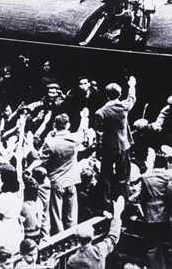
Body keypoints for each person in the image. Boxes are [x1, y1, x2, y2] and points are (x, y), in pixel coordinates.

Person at [95, 76, 136, 204]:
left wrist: (99, 150)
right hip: (123, 146)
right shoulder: (124, 107)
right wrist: (132, 85)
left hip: (108, 149)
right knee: (124, 178)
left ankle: (107, 204)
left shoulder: (100, 113)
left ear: (106, 95)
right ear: (119, 94)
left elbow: (99, 134)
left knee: (106, 177)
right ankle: (125, 203)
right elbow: (132, 97)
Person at [67, 196, 125, 269]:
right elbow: (113, 237)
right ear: (92, 237)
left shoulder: (73, 261)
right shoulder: (99, 251)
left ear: (77, 239)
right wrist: (117, 216)